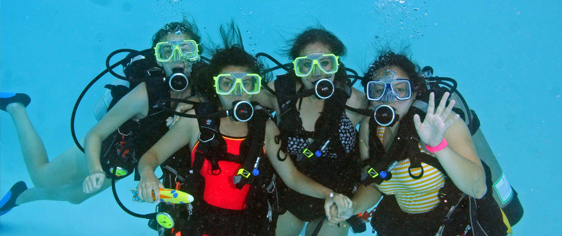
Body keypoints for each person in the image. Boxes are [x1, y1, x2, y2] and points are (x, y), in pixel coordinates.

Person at [137, 24, 352, 236]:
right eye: (227, 84)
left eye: (246, 84)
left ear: (255, 89)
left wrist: (330, 194)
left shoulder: (265, 128)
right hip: (196, 224)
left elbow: (292, 178)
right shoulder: (196, 122)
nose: (237, 92)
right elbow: (152, 156)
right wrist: (147, 174)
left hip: (246, 227)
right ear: (215, 88)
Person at [0, 20, 204, 215]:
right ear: (158, 59)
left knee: (76, 197)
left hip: (139, 153)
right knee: (43, 177)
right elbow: (95, 134)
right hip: (117, 144)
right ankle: (16, 107)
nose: (178, 59)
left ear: (197, 55)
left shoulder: (206, 88)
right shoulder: (144, 95)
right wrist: (95, 170)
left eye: (186, 50)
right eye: (167, 52)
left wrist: (194, 99)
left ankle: (21, 196)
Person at [331, 51, 509, 235]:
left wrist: (438, 146)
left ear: (414, 92)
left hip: (456, 221)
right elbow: (373, 183)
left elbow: (478, 189)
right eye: (378, 90)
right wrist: (352, 208)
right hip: (410, 225)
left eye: (400, 90)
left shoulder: (441, 120)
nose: (389, 97)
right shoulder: (370, 128)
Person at [253, 27, 367, 236]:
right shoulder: (281, 95)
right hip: (289, 194)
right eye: (306, 65)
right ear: (296, 68)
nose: (317, 73)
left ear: (336, 63)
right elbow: (239, 95)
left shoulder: (356, 102)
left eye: (325, 63)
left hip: (337, 199)